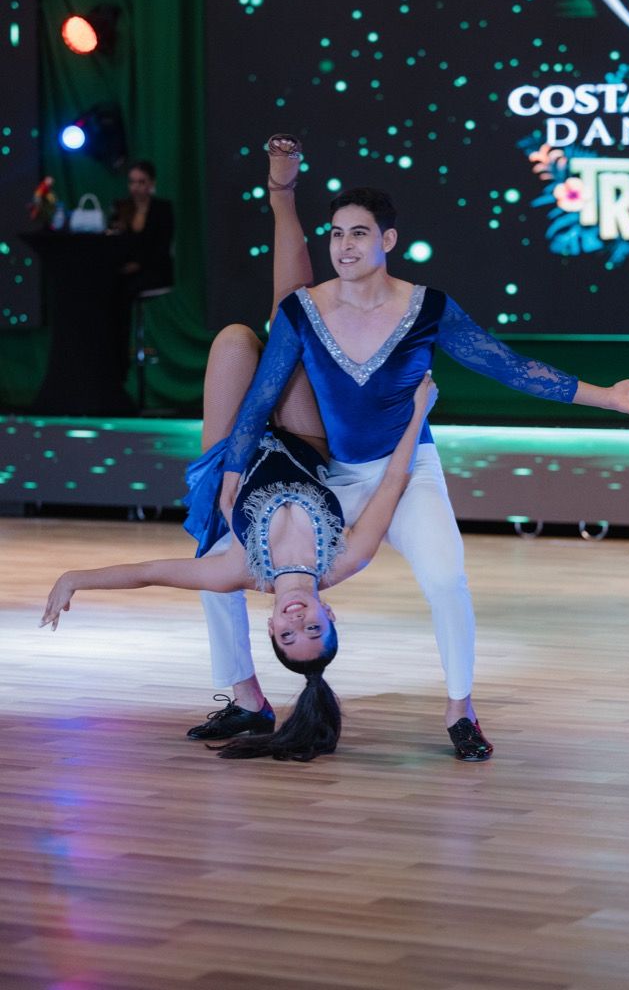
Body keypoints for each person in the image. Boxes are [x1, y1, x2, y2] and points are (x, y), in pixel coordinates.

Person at [211, 135, 629, 763]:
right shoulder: (303, 310)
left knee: (446, 577)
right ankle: (245, 697)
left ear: (388, 240)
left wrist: (609, 399)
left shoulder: (427, 307)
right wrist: (232, 469)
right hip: (331, 481)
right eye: (337, 234)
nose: (345, 246)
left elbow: (508, 366)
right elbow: (263, 393)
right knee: (215, 562)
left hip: (411, 472)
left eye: (359, 234)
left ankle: (461, 709)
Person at [40, 141, 438, 761]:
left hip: (230, 449)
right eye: (313, 628)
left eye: (288, 633)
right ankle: (283, 194)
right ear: (332, 617)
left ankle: (247, 698)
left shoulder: (237, 572)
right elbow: (393, 482)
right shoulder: (347, 558)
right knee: (292, 317)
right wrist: (418, 413)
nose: (298, 620)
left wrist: (75, 579)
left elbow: (148, 573)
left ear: (270, 627)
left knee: (231, 340)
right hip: (303, 439)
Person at [108, 159, 174, 384]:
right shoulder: (122, 208)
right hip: (127, 272)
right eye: (132, 182)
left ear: (151, 183)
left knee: (123, 292)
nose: (136, 187)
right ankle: (112, 355)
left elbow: (161, 247)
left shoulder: (162, 209)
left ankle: (121, 358)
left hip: (154, 271)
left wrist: (138, 264)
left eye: (141, 182)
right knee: (111, 288)